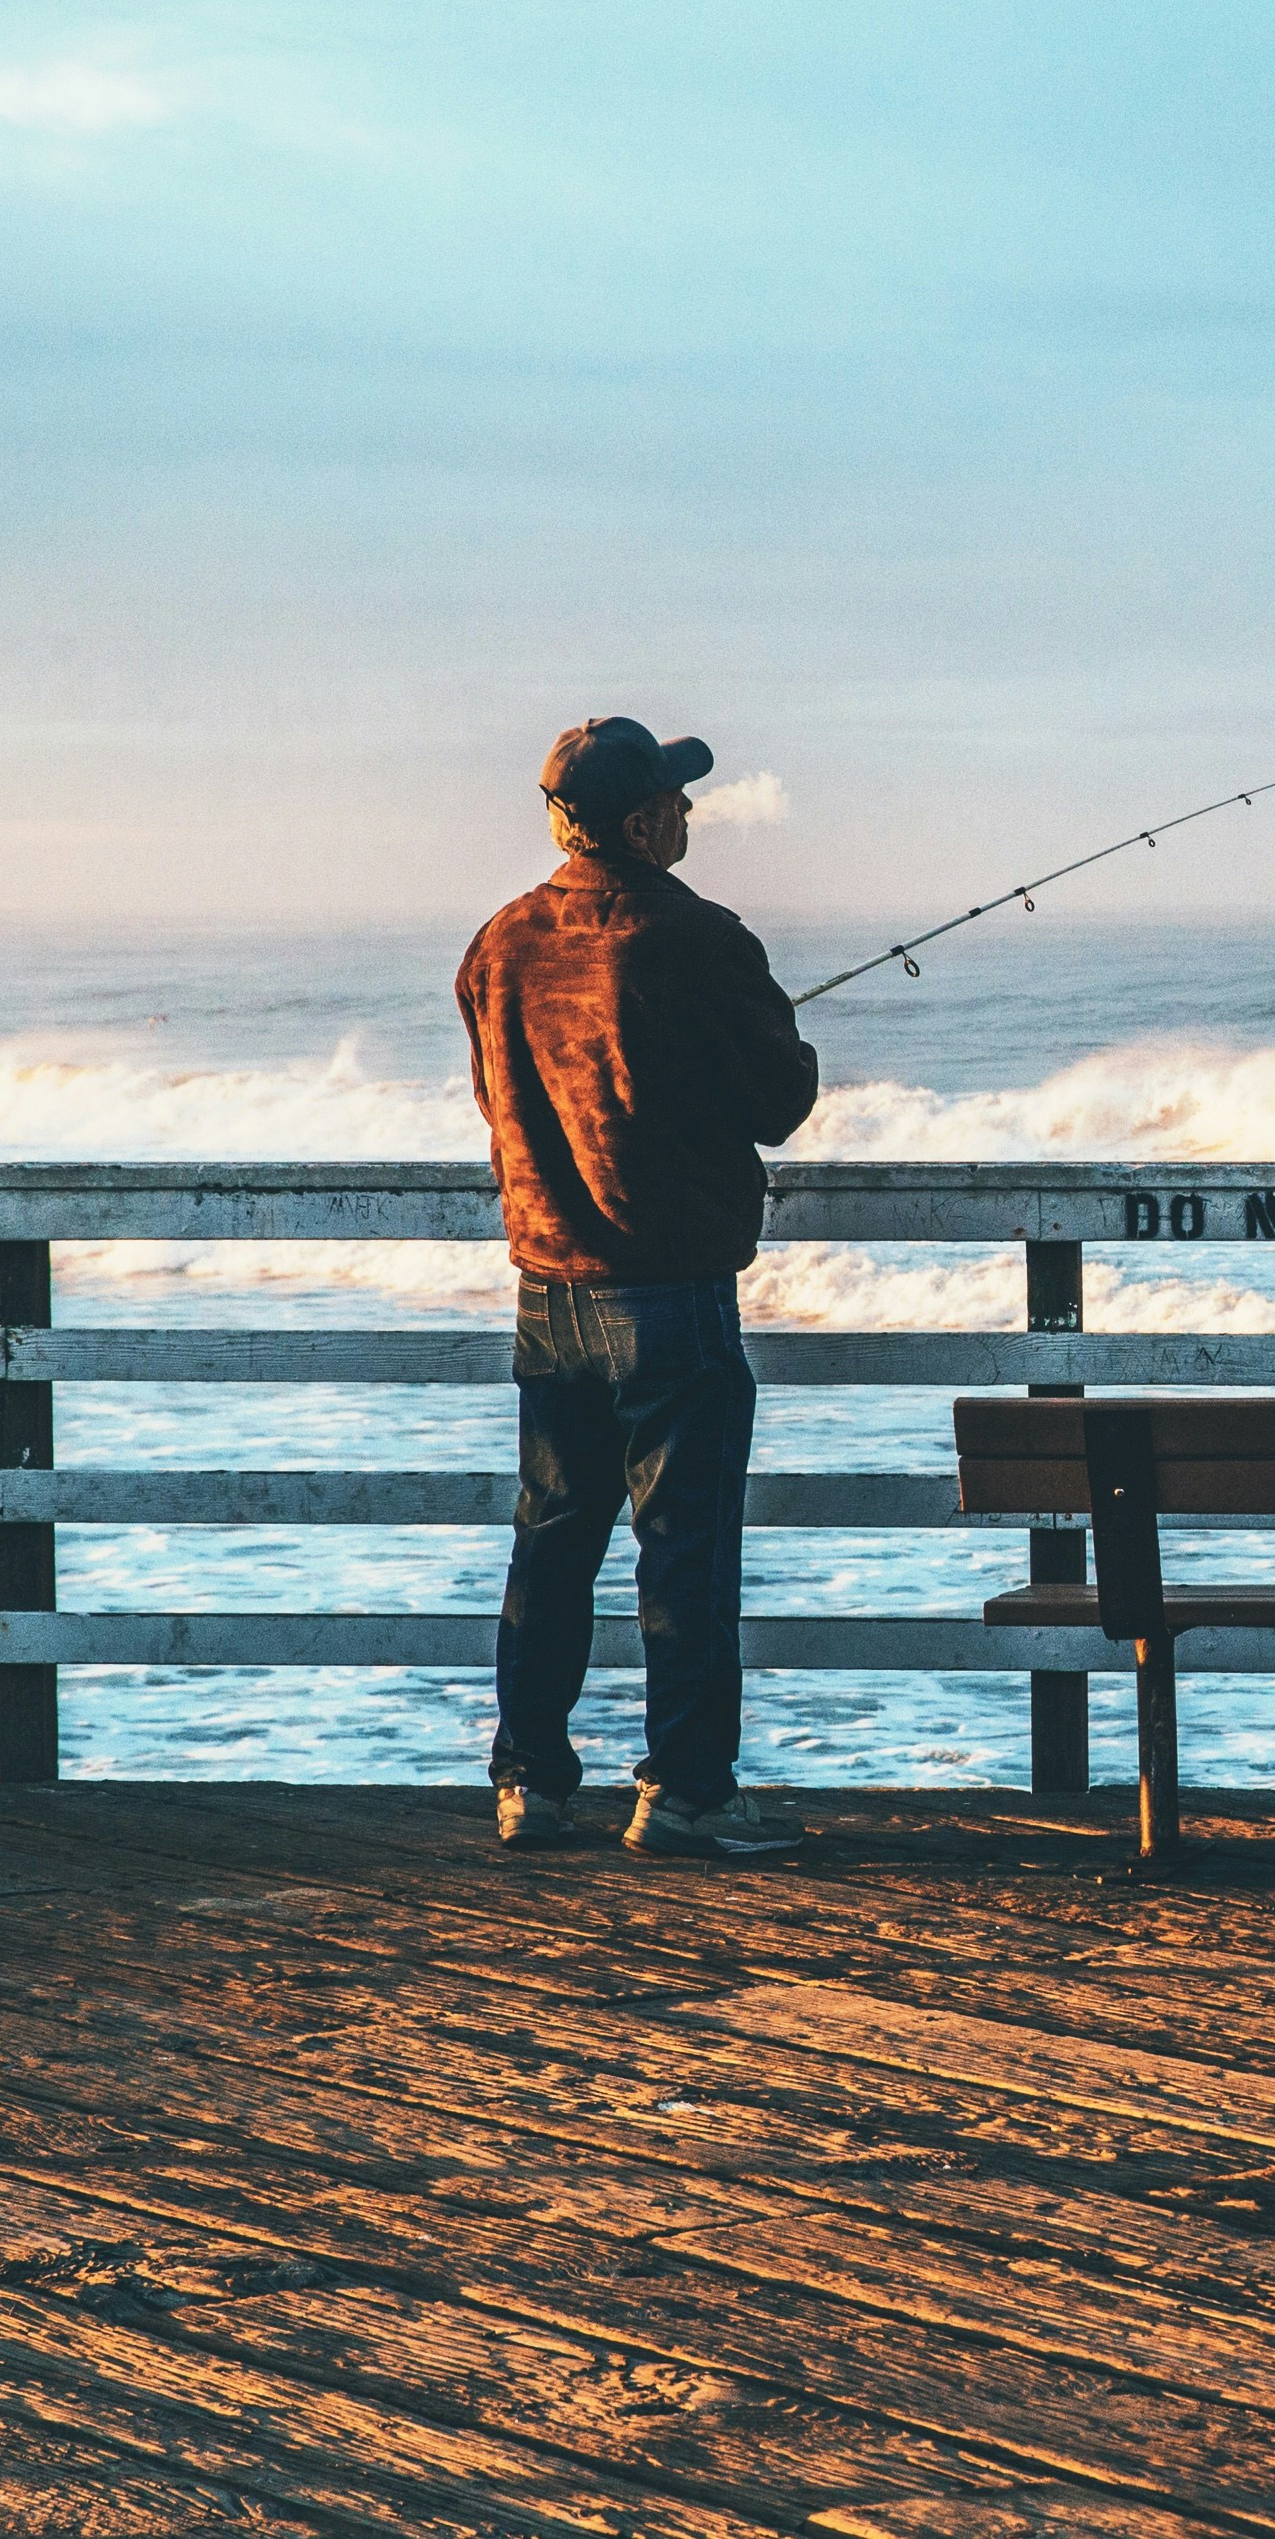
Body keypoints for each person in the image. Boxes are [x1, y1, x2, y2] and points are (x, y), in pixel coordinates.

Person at [457, 717, 821, 1855]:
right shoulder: (694, 937)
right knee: (686, 1553)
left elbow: (500, 1100)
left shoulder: (499, 942)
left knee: (550, 1544)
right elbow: (777, 1102)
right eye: (674, 797)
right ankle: (688, 1794)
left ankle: (529, 1781)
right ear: (638, 823)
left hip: (545, 1291)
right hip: (668, 1295)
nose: (690, 812)